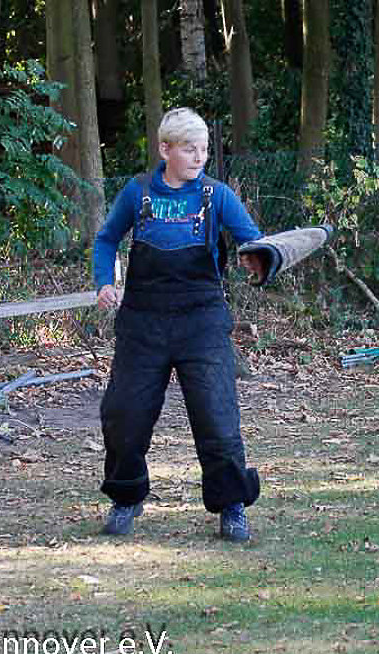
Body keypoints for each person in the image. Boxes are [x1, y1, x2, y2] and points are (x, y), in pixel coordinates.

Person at [92, 107, 266, 539]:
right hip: (143, 322)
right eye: (190, 149)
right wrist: (104, 282)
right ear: (164, 149)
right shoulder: (137, 193)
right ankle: (125, 497)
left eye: (204, 149)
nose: (199, 157)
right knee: (123, 414)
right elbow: (106, 239)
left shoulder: (217, 195)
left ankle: (231, 506)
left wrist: (259, 259)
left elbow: (253, 241)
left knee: (216, 416)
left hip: (202, 321)